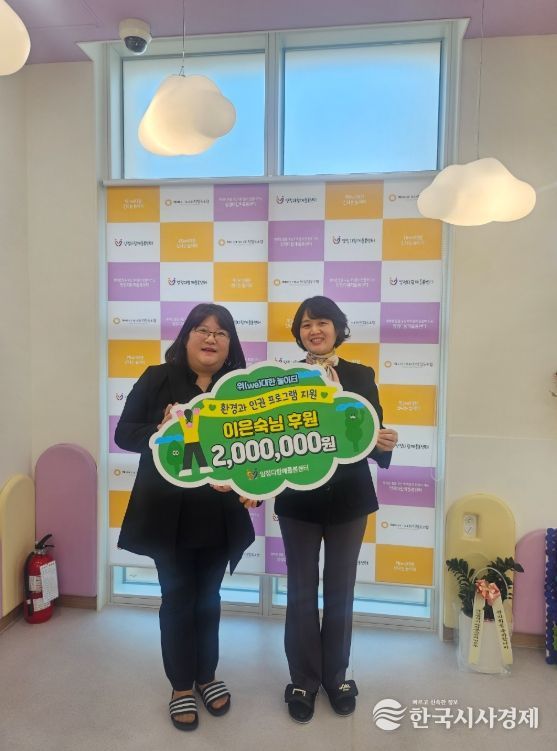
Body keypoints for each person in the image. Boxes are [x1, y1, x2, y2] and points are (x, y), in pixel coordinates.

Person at [114, 303, 258, 732]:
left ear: (230, 344)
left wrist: (253, 486)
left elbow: (257, 452)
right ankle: (181, 686)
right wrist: (160, 430)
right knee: (177, 599)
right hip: (169, 516)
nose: (211, 338)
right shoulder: (157, 378)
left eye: (221, 332)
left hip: (220, 515)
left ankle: (206, 676)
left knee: (209, 599)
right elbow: (125, 434)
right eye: (202, 329)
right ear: (186, 337)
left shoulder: (239, 389)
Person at [275, 296, 398, 723]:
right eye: (306, 325)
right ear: (298, 333)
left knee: (341, 589)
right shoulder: (285, 379)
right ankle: (303, 680)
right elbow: (275, 440)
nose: (314, 330)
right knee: (300, 589)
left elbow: (370, 433)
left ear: (338, 328)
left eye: (322, 322)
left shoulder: (361, 375)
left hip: (349, 497)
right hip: (298, 498)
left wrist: (383, 443)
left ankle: (336, 676)